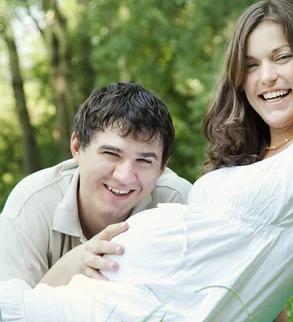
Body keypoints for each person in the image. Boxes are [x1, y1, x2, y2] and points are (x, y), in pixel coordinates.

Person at [0, 0, 293, 322]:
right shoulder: (252, 155)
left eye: (282, 57)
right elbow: (249, 266)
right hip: (112, 301)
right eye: (251, 65)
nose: (266, 76)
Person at [0, 82, 191, 288]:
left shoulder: (179, 205)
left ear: (162, 167)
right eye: (111, 154)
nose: (124, 176)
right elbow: (9, 315)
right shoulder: (32, 204)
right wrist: (67, 269)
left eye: (144, 161)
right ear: (77, 148)